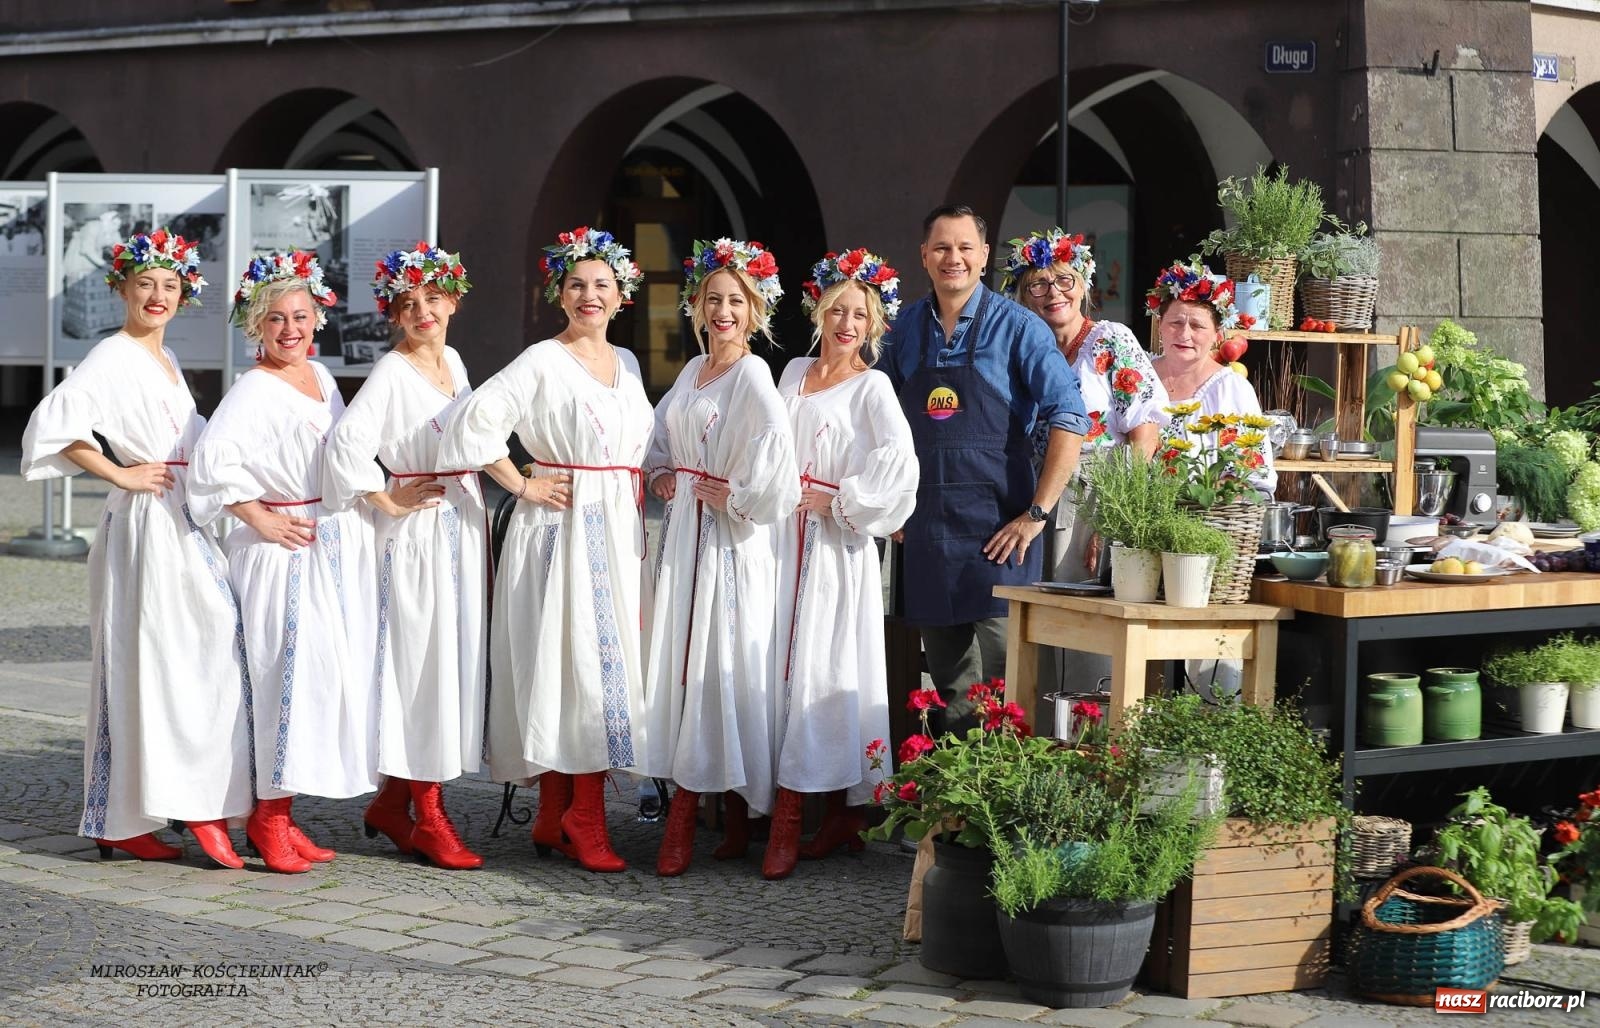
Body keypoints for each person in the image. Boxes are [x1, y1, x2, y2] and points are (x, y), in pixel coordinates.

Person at [20, 230, 252, 868]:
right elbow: (53, 423)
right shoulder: (113, 355)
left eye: (170, 286)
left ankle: (162, 806)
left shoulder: (166, 360)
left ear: (184, 295)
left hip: (182, 516)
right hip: (146, 523)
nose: (157, 295)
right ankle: (141, 815)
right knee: (154, 659)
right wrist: (120, 473)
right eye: (145, 283)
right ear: (121, 288)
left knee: (200, 653)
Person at [438, 227, 653, 873]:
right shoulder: (540, 358)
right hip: (560, 532)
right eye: (577, 285)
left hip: (612, 529)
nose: (590, 296)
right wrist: (521, 483)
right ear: (559, 294)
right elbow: (471, 423)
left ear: (622, 297)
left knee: (591, 667)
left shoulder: (630, 364)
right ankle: (582, 816)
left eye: (602, 286)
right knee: (575, 668)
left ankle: (559, 814)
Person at [189, 250, 378, 875]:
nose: (290, 329)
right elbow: (212, 463)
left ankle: (282, 813)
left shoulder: (321, 377)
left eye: (300, 315)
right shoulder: (252, 389)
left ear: (317, 318)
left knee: (316, 681)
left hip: (325, 540)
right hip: (280, 551)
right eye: (276, 319)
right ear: (256, 328)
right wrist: (258, 515)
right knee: (280, 680)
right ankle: (266, 820)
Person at [325, 244, 511, 870]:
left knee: (452, 660)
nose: (422, 312)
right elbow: (347, 442)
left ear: (453, 300)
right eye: (408, 304)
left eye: (432, 299)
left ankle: (390, 803)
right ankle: (428, 815)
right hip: (419, 534)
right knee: (421, 666)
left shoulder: (453, 361)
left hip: (459, 522)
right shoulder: (391, 372)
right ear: (394, 315)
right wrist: (385, 494)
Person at [880, 205, 1088, 733]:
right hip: (925, 532)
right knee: (949, 689)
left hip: (1002, 533)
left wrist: (1037, 514)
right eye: (943, 248)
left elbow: (1071, 417)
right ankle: (956, 810)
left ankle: (1010, 809)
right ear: (924, 257)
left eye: (965, 247)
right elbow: (873, 416)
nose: (954, 258)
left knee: (1007, 685)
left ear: (984, 256)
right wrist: (885, 505)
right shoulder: (902, 329)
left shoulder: (1019, 328)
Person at [642, 238, 799, 878]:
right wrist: (660, 477)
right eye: (714, 300)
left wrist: (733, 492)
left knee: (721, 665)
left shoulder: (754, 374)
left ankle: (691, 814)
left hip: (731, 543)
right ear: (697, 307)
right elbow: (658, 439)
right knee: (682, 662)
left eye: (737, 300)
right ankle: (726, 817)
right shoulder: (690, 372)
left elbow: (778, 463)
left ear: (756, 310)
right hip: (684, 536)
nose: (724, 311)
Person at [770, 249, 918, 879]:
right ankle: (821, 814)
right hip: (777, 540)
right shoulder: (794, 372)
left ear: (875, 323)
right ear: (819, 312)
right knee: (778, 662)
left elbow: (901, 462)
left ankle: (798, 815)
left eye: (861, 314)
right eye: (838, 310)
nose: (848, 324)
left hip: (833, 546)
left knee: (822, 667)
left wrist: (842, 500)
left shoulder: (873, 386)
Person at [1000, 229, 1170, 701]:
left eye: (1064, 280)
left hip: (1095, 493)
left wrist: (1113, 520)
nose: (1052, 292)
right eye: (1038, 283)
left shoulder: (1110, 340)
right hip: (1031, 491)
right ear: (1022, 294)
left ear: (1084, 284)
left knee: (1085, 626)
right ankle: (1039, 740)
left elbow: (1144, 433)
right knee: (1039, 623)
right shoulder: (1019, 350)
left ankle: (1089, 741)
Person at [1146, 258, 1277, 497]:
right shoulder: (1140, 377)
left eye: (1197, 326)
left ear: (1217, 335)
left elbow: (1253, 476)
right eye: (1175, 322)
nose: (1184, 334)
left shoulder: (1230, 389)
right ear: (1160, 325)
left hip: (1205, 519)